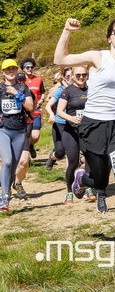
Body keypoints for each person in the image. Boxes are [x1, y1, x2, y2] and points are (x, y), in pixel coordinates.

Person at [54, 18, 115, 248]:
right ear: (109, 38)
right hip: (94, 126)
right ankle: (81, 179)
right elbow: (59, 59)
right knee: (101, 181)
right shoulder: (98, 57)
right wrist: (67, 31)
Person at [0, 59, 34, 212]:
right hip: (3, 130)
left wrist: (16, 94)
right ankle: (4, 197)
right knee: (7, 162)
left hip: (19, 131)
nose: (11, 72)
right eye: (8, 69)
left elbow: (30, 107)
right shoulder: (0, 88)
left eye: (13, 69)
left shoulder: (22, 87)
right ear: (3, 72)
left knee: (13, 165)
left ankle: (6, 191)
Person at [56, 66, 94, 204]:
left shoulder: (92, 89)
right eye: (78, 75)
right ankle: (69, 191)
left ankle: (88, 188)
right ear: (73, 75)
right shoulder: (68, 91)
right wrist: (71, 118)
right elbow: (60, 111)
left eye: (84, 74)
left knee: (90, 159)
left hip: (88, 130)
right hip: (71, 131)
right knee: (73, 162)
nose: (81, 77)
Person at [13, 57, 46, 198]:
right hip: (9, 124)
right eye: (27, 67)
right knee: (7, 160)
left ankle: (18, 182)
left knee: (25, 157)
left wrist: (34, 109)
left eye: (31, 67)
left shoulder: (36, 82)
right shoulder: (7, 86)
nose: (30, 69)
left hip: (29, 119)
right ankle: (7, 187)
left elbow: (37, 98)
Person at [44, 67, 72, 171]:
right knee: (60, 152)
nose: (70, 78)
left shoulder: (78, 90)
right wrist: (52, 114)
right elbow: (48, 105)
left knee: (70, 150)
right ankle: (53, 157)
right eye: (67, 76)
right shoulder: (60, 90)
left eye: (72, 76)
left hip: (72, 123)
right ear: (63, 78)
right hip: (59, 123)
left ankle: (69, 175)